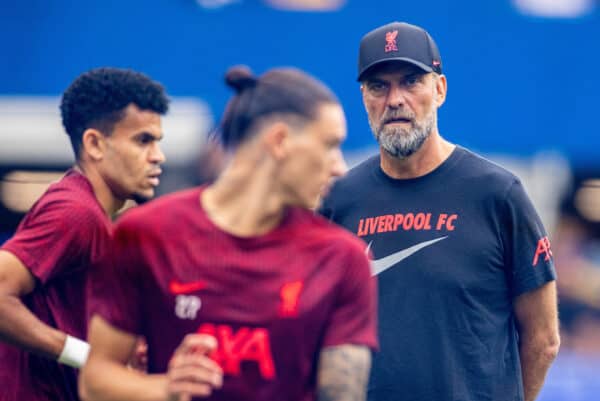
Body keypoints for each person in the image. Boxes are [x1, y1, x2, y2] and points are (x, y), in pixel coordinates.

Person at [79, 65, 377, 401]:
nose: (338, 166)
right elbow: (95, 381)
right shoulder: (145, 235)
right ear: (279, 141)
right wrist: (164, 388)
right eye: (329, 145)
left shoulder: (341, 258)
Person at [319, 21, 560, 401]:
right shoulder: (337, 200)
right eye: (379, 86)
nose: (395, 99)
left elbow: (543, 339)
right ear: (363, 97)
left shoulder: (498, 194)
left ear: (440, 89)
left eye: (411, 81)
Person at [0, 67, 169, 401]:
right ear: (94, 144)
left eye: (157, 142)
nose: (158, 157)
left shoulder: (92, 214)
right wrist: (88, 356)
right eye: (143, 141)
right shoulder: (75, 212)